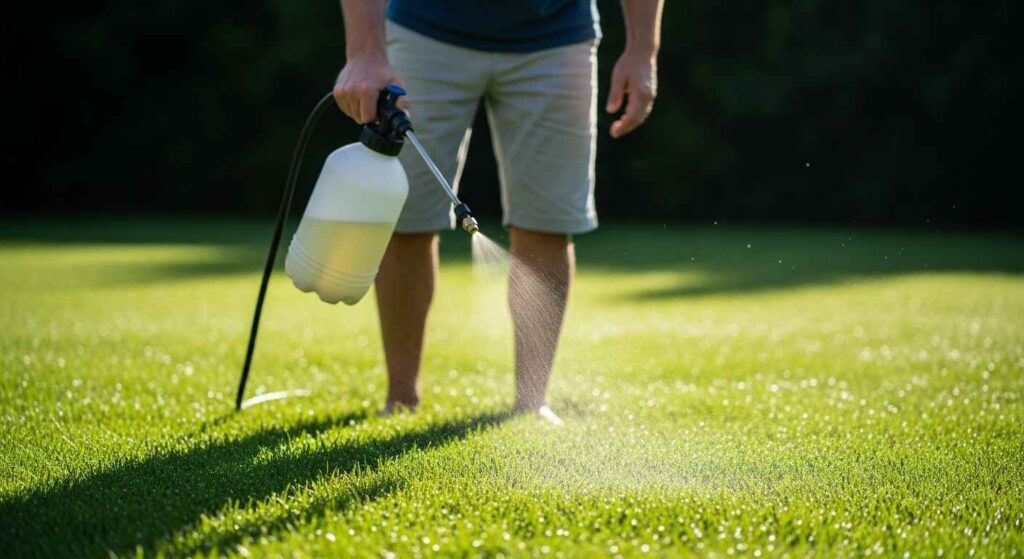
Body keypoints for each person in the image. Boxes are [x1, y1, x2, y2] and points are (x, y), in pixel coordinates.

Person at [333, 0, 663, 424]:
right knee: (406, 222)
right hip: (422, 30)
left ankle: (531, 405)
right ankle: (401, 401)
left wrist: (642, 51)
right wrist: (364, 52)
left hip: (558, 36)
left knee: (547, 224)